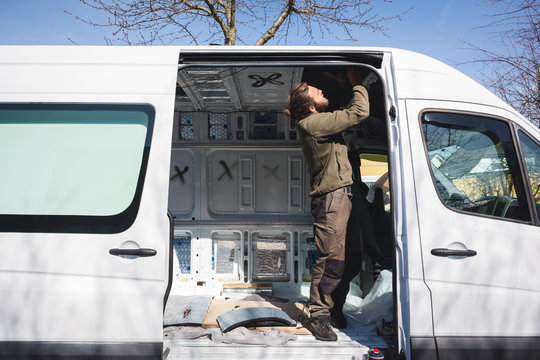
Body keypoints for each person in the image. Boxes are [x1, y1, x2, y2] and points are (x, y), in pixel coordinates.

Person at [285, 69, 369, 341]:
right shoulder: (313, 123)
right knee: (330, 260)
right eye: (317, 92)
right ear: (311, 107)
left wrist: (343, 84)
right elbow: (359, 112)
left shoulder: (317, 121)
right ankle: (319, 317)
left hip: (340, 196)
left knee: (349, 258)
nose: (322, 92)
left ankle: (333, 310)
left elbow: (344, 110)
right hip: (332, 198)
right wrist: (356, 84)